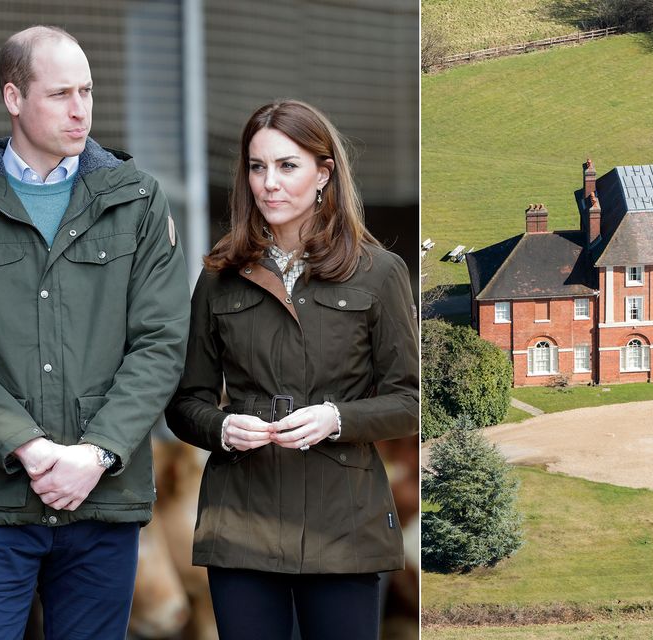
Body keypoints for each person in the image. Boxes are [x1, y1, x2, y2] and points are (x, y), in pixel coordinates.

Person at [0, 26, 190, 639]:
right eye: (60, 93)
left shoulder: (137, 201)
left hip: (103, 500)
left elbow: (162, 342)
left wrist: (94, 454)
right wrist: (30, 449)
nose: (80, 109)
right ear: (13, 98)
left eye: (87, 91)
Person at [165, 100, 419, 640]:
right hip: (241, 518)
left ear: (324, 173)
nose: (268, 184)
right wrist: (222, 428)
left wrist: (336, 418)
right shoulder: (220, 278)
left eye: (287, 166)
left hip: (344, 524)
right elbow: (186, 403)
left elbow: (410, 400)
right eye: (257, 167)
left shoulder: (378, 274)